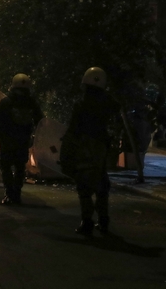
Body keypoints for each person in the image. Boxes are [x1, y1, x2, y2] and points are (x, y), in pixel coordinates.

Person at [59, 67, 120, 236]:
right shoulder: (108, 103)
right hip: (101, 148)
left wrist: (66, 151)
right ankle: (103, 220)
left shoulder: (81, 104)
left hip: (85, 147)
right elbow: (116, 114)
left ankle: (87, 222)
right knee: (101, 183)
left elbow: (73, 128)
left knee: (84, 185)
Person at [0, 73, 44, 204]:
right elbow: (40, 121)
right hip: (23, 140)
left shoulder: (6, 102)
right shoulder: (32, 103)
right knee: (20, 167)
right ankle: (17, 194)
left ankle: (9, 193)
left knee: (6, 167)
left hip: (7, 140)